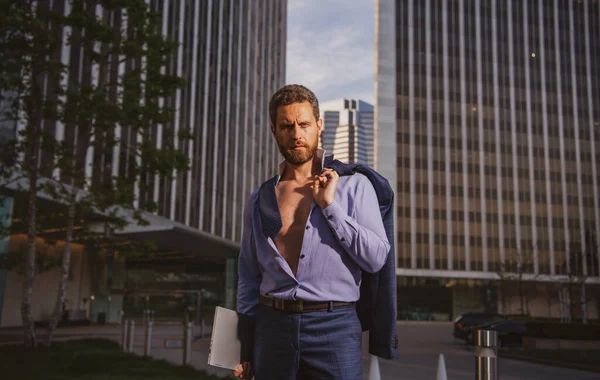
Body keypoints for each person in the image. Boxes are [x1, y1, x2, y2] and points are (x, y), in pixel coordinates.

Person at [234, 84, 390, 379]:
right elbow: (248, 275)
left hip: (334, 325)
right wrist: (244, 346)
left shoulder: (354, 186)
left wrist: (330, 207)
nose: (296, 134)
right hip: (272, 326)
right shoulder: (261, 198)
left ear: (318, 125)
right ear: (274, 131)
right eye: (286, 126)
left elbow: (376, 258)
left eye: (304, 124)